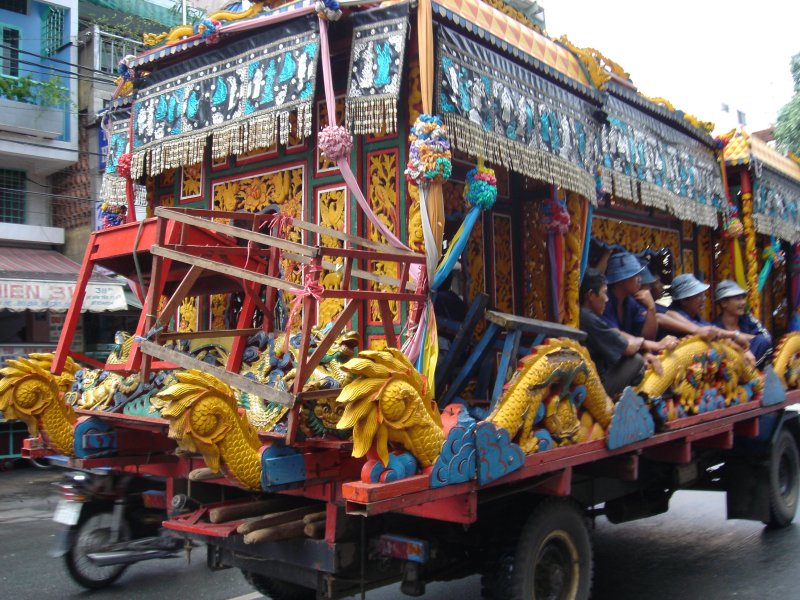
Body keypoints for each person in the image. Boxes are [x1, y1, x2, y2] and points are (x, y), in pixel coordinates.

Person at [580, 268, 676, 398]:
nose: (606, 299)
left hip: (595, 379)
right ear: (591, 295)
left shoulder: (627, 304)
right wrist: (655, 345)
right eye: (604, 293)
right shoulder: (588, 318)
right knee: (636, 360)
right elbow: (628, 348)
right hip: (596, 388)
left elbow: (616, 336)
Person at [666, 273, 746, 348]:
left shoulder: (697, 318)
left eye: (703, 295)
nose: (704, 299)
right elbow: (708, 331)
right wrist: (734, 334)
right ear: (684, 301)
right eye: (699, 296)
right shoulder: (672, 315)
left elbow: (712, 330)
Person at [712, 280, 772, 365]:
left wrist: (740, 337)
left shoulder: (747, 318)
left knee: (763, 341)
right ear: (724, 303)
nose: (743, 302)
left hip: (753, 363)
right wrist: (741, 344)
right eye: (738, 299)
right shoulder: (715, 327)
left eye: (743, 298)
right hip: (730, 367)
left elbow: (766, 337)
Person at [602, 251, 657, 340]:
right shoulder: (604, 301)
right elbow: (615, 336)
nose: (640, 279)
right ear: (621, 280)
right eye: (635, 275)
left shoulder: (630, 302)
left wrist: (651, 308)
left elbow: (649, 337)